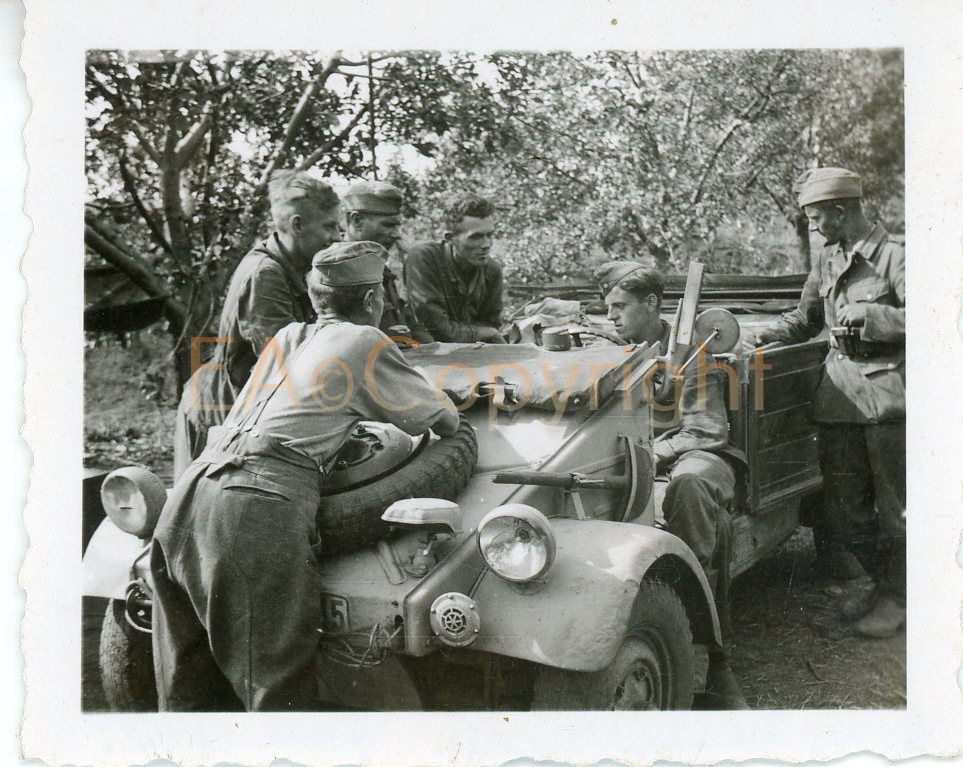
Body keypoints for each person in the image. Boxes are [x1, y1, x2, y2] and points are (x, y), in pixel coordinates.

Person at [151, 241, 460, 711]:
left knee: (189, 688)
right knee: (277, 691)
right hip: (255, 504)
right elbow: (444, 422)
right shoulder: (364, 340)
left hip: (190, 493)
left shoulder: (288, 336)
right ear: (373, 299)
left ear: (317, 297)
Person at [750, 167, 905, 639]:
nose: (813, 227)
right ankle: (884, 583)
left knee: (896, 509)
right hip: (837, 398)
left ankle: (899, 597)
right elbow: (805, 318)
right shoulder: (828, 258)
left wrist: (873, 316)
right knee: (845, 511)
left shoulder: (896, 257)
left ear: (841, 210)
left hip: (888, 402)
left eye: (817, 218)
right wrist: (763, 336)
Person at [594, 261, 749, 710]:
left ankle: (713, 658)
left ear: (651, 304)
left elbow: (706, 430)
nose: (610, 317)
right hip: (639, 459)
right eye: (606, 308)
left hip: (700, 457)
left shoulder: (691, 353)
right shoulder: (610, 353)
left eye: (620, 306)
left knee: (688, 489)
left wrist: (649, 454)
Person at [172, 170, 341, 478]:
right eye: (328, 226)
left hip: (239, 408)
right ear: (298, 226)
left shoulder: (290, 266)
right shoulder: (266, 274)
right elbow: (285, 362)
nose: (337, 237)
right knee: (202, 501)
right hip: (219, 412)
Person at [404, 191, 505, 343]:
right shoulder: (424, 258)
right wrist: (485, 333)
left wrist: (487, 332)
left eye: (490, 235)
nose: (486, 244)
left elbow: (491, 324)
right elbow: (436, 328)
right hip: (426, 351)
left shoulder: (492, 270)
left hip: (472, 351)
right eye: (476, 237)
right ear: (450, 239)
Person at [342, 179, 433, 343]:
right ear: (357, 221)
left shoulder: (378, 265)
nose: (396, 234)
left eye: (397, 225)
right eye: (388, 225)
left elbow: (410, 323)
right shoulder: (337, 271)